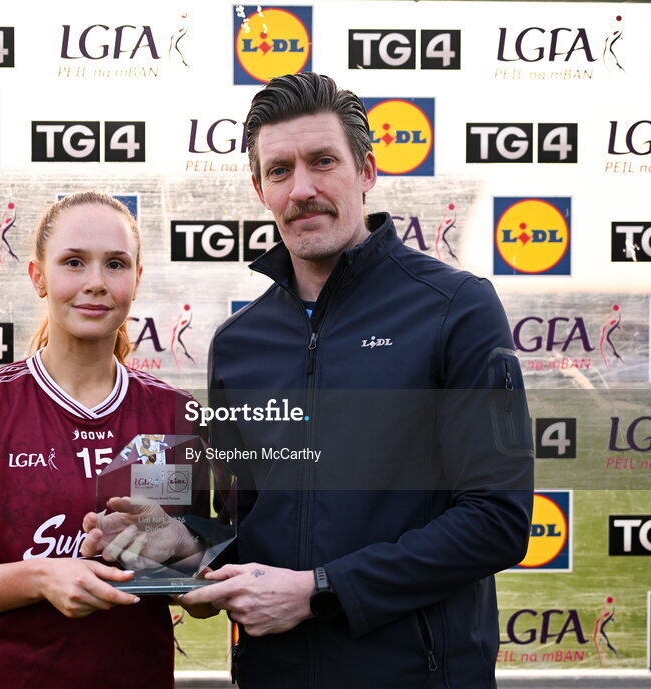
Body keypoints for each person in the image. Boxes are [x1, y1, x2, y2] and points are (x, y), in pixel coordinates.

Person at [181, 73, 535, 688]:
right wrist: (181, 553)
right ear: (260, 189)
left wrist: (321, 590)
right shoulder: (238, 344)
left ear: (366, 171)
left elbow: (497, 521)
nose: (303, 189)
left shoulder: (455, 308)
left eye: (323, 161)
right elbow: (248, 523)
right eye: (280, 170)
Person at [0, 191, 195, 688]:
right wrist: (41, 577)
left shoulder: (170, 414)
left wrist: (179, 555)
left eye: (115, 264)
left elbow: (193, 594)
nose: (95, 282)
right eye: (73, 262)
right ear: (38, 276)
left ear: (136, 280)